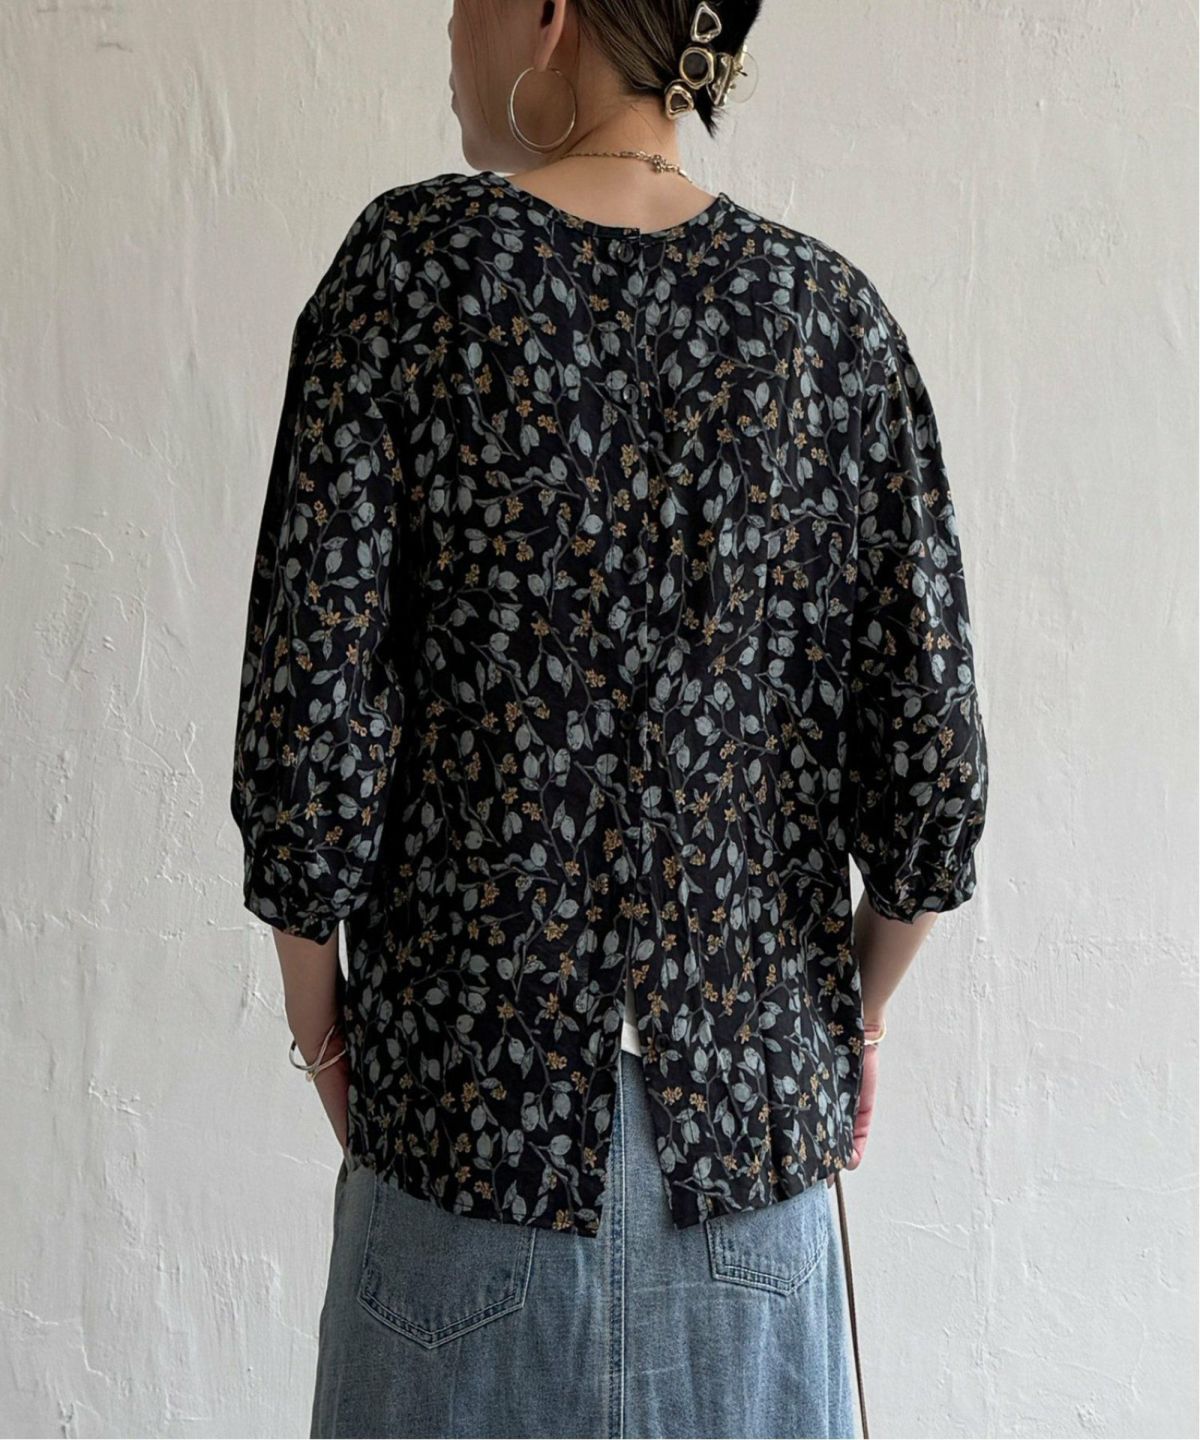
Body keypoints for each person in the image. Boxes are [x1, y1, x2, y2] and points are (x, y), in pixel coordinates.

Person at [228, 1, 989, 1435]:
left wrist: (322, 1029)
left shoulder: (412, 274)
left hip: (464, 1150)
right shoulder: (830, 325)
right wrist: (850, 1019)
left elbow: (310, 719)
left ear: (550, 14)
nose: (448, 24)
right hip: (749, 1184)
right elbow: (932, 772)